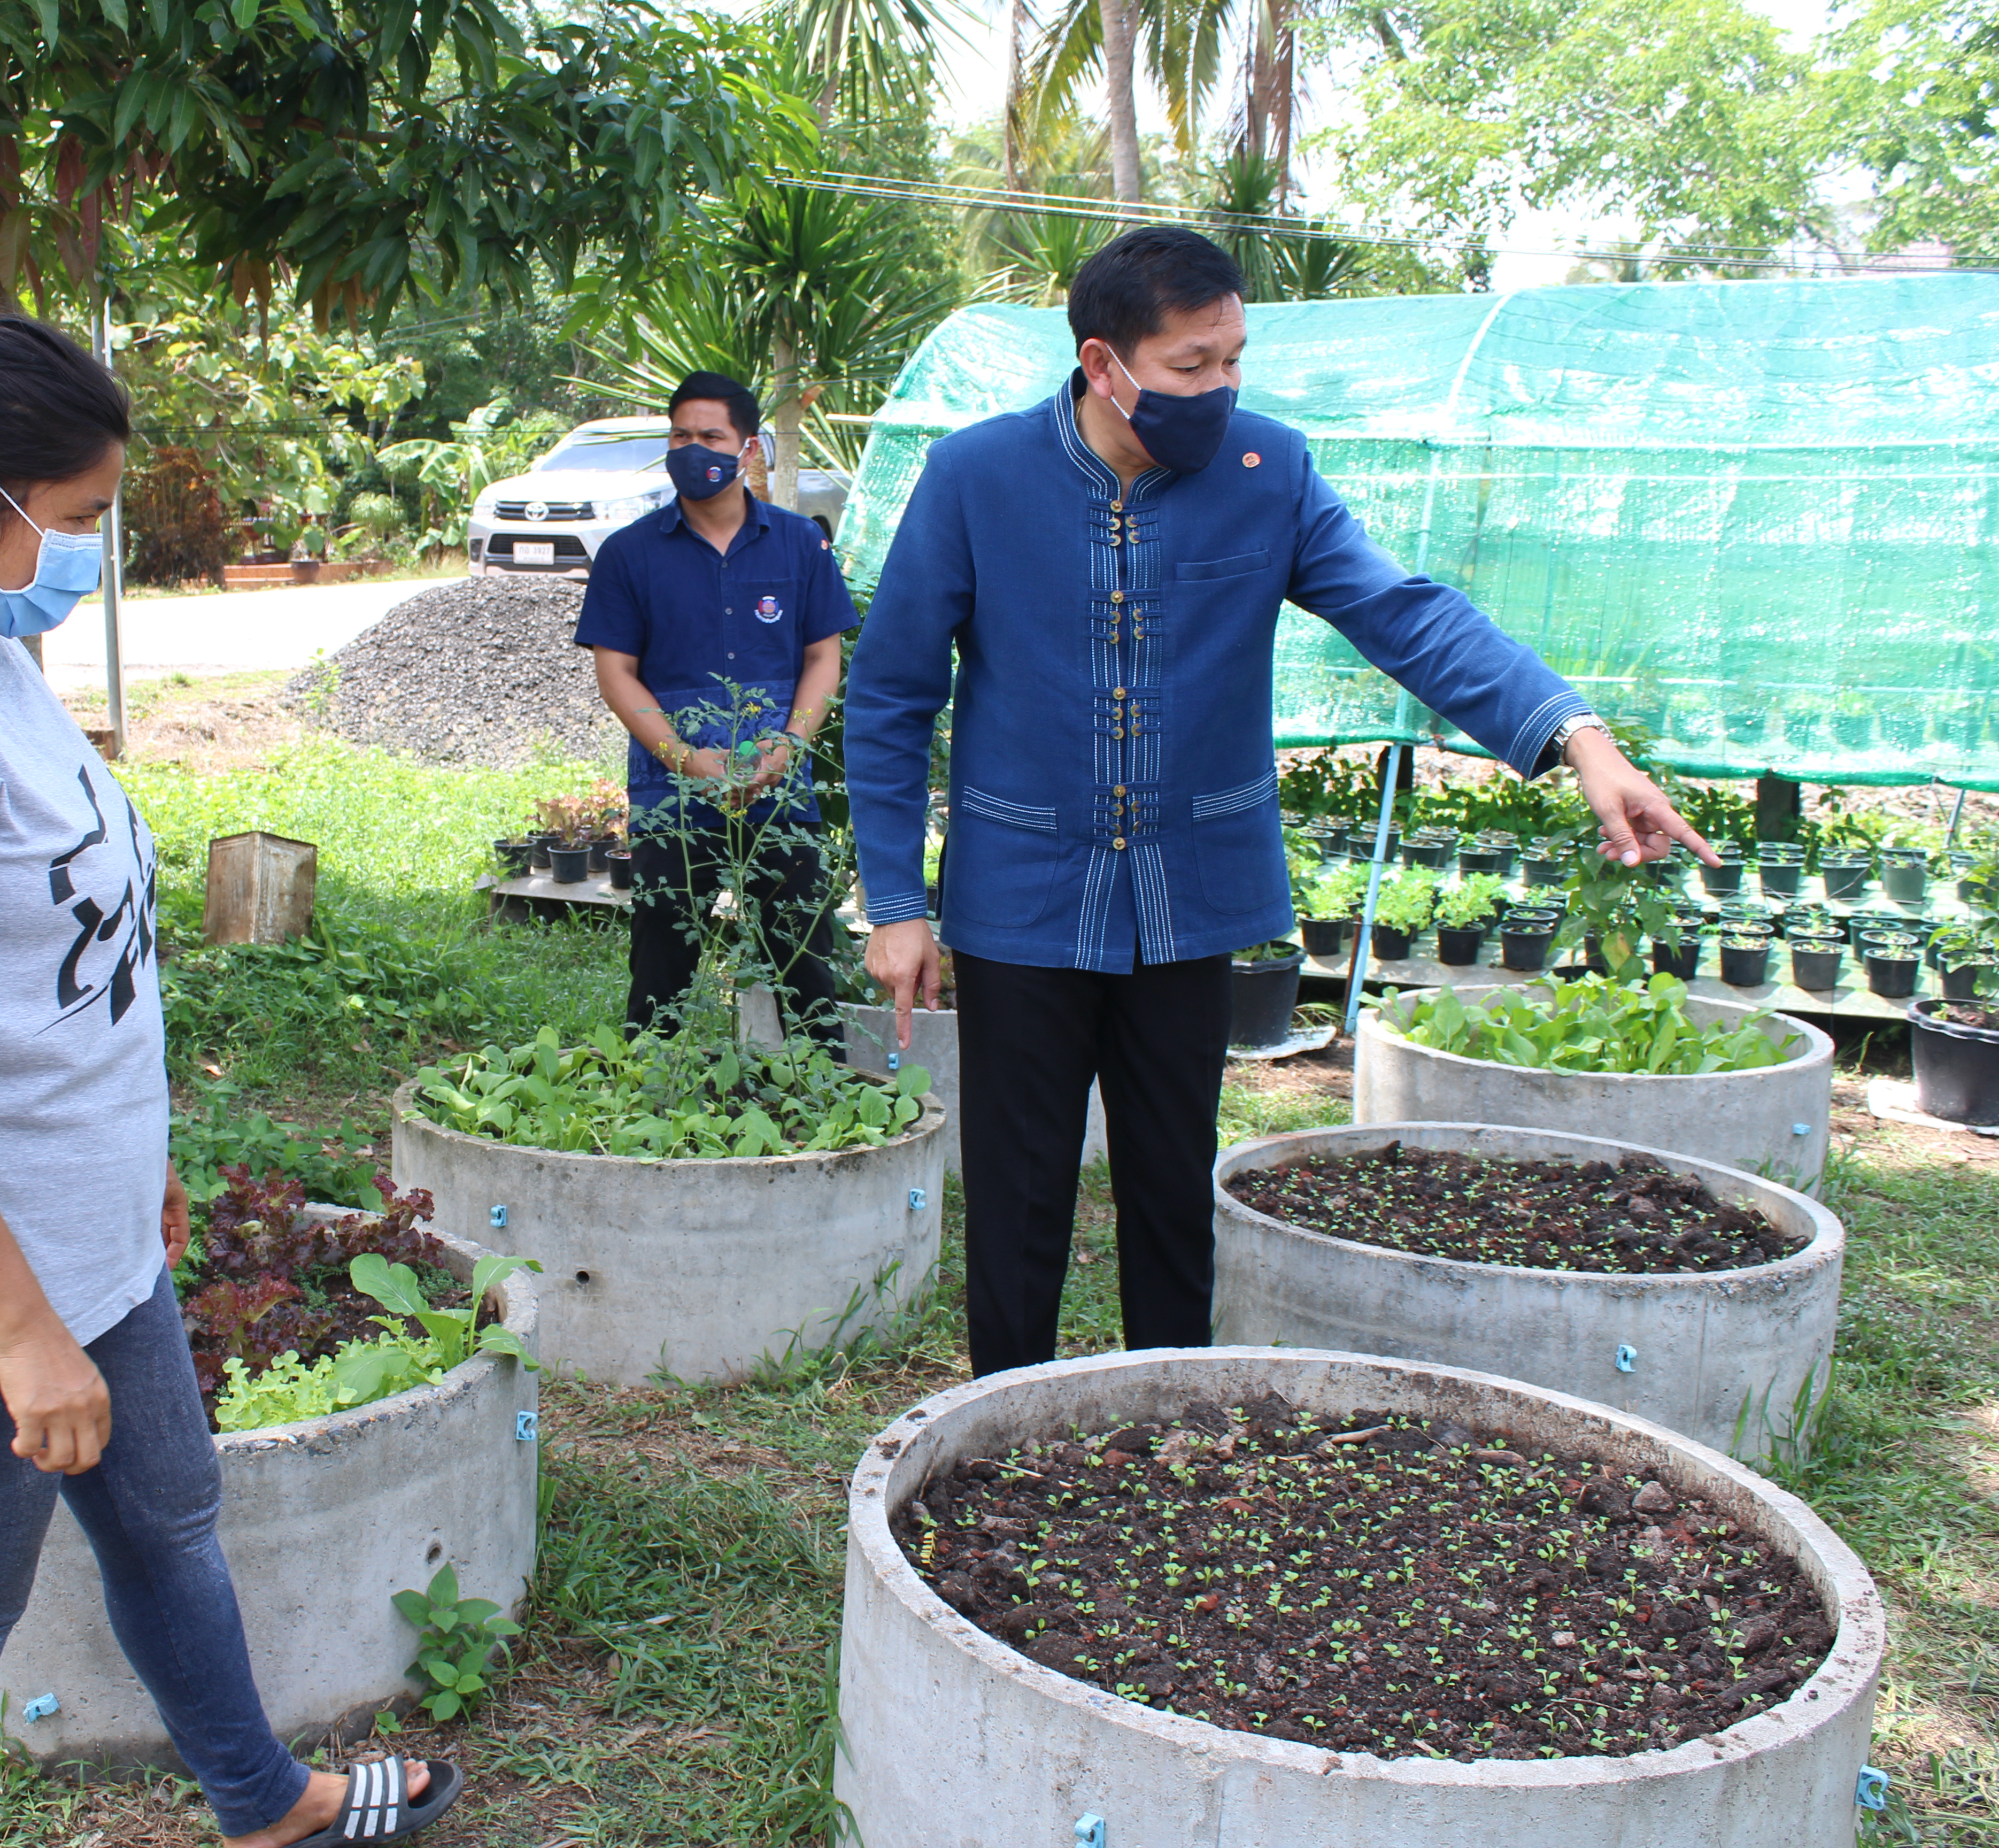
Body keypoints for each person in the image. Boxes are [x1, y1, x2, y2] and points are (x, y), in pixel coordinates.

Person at [0, 306, 457, 1848]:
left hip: (82, 1230)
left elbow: (53, 954)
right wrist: (17, 1328)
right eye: (76, 521)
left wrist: (137, 1158)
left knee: (167, 1525)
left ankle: (262, 1800)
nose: (93, 553)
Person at [844, 227, 1712, 1377]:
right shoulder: (978, 478)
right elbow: (894, 693)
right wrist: (897, 900)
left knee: (1169, 1188)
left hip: (1189, 898)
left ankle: (1161, 1416)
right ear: (1104, 365)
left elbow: (1407, 615)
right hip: (1022, 899)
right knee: (1017, 1199)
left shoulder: (1270, 472)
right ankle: (1001, 1423)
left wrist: (1574, 734)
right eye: (1192, 366)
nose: (1221, 389)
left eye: (1234, 360)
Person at [575, 371, 859, 1049]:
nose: (692, 449)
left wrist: (788, 745)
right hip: (672, 793)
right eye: (680, 435)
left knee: (803, 954)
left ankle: (827, 1098)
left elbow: (824, 657)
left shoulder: (799, 545)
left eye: (710, 436)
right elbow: (616, 671)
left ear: (749, 449)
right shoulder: (629, 555)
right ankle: (650, 1088)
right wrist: (683, 759)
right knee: (663, 956)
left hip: (778, 792)